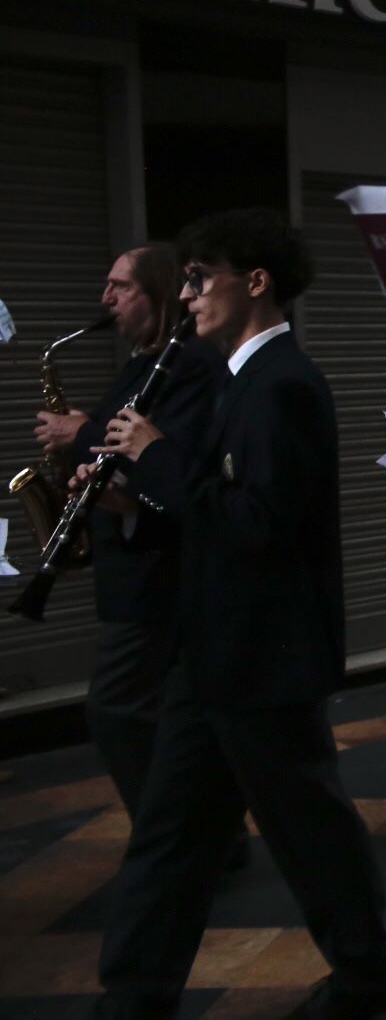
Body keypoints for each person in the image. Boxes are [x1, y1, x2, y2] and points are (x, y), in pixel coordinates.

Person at [90, 210, 386, 1019]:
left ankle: (365, 976)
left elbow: (258, 523)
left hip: (263, 658)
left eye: (201, 279)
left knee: (308, 831)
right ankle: (133, 994)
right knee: (171, 833)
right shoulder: (236, 380)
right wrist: (141, 491)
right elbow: (213, 508)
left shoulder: (285, 384)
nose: (187, 297)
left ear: (254, 282)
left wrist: (157, 456)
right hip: (214, 650)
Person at [31, 246, 222, 826]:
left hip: (158, 571)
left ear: (160, 294)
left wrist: (82, 430)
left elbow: (176, 459)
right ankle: (206, 834)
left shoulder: (188, 364)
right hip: (130, 561)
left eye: (120, 287)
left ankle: (171, 837)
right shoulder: (142, 362)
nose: (105, 299)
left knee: (116, 710)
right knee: (166, 714)